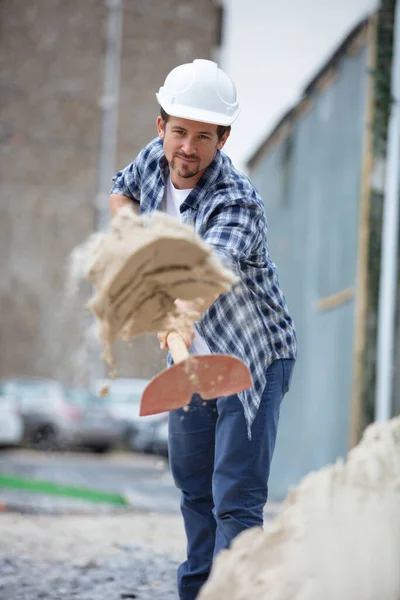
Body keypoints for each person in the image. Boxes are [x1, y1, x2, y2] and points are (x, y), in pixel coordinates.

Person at [109, 59, 297, 600]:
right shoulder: (154, 160)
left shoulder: (236, 200)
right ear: (161, 125)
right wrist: (130, 237)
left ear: (224, 139)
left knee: (234, 498)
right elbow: (121, 192)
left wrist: (178, 321)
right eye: (180, 132)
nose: (188, 148)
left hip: (251, 358)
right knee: (193, 489)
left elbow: (205, 278)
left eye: (204, 137)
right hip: (188, 365)